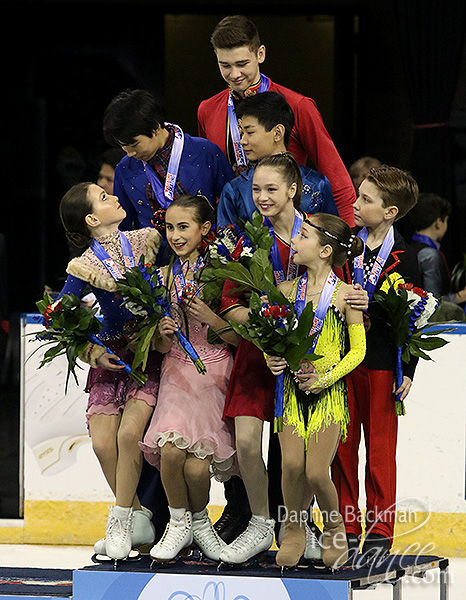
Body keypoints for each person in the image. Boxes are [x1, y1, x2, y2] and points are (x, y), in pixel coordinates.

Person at [216, 153, 367, 566]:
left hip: (316, 371)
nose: (261, 197)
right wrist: (269, 335)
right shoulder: (250, 242)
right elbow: (234, 302)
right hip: (263, 356)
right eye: (255, 190)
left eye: (270, 189)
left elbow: (347, 297)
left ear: (292, 190)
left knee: (305, 465)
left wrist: (360, 302)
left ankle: (313, 527)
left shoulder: (318, 233)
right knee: (257, 448)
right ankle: (270, 525)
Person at [57, 182, 163, 562]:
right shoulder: (83, 265)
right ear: (91, 219)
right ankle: (136, 515)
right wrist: (93, 351)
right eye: (104, 198)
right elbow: (62, 318)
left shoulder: (148, 239)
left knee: (129, 436)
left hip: (147, 354)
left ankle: (121, 523)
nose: (115, 197)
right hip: (110, 357)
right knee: (103, 444)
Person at [139, 194, 239, 562]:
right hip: (177, 369)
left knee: (198, 468)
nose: (176, 236)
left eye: (184, 227)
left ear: (205, 229)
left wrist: (211, 318)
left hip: (215, 369)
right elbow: (160, 348)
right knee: (169, 449)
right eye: (170, 228)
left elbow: (240, 339)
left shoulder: (222, 274)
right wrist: (164, 334)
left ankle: (200, 524)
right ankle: (178, 522)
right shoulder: (163, 277)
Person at [266, 213, 366, 569]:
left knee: (315, 472)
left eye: (303, 235)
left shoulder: (345, 297)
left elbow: (358, 350)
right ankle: (292, 530)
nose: (294, 240)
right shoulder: (284, 292)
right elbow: (271, 341)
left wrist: (325, 379)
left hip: (328, 393)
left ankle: (334, 526)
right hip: (292, 393)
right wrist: (271, 358)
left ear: (325, 250)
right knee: (290, 465)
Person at [331, 165, 420, 559]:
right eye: (358, 194)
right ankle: (348, 525)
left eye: (365, 199)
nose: (355, 202)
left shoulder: (410, 257)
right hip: (343, 362)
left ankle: (381, 529)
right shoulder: (344, 246)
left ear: (390, 212)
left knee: (381, 449)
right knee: (343, 446)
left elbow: (417, 316)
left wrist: (410, 370)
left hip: (384, 364)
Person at [197, 15, 356, 225]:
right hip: (235, 229)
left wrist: (349, 237)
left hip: (292, 228)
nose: (234, 74)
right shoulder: (207, 110)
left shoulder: (298, 106)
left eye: (242, 63)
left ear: (260, 54)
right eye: (225, 65)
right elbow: (209, 176)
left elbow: (336, 177)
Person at [103, 88, 234, 263]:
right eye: (123, 146)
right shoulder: (124, 169)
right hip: (156, 269)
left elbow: (233, 207)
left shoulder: (205, 152)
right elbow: (124, 229)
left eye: (134, 144)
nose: (130, 153)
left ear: (156, 128)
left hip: (209, 260)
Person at [217, 91, 339, 228]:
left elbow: (332, 239)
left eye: (250, 132)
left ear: (278, 133)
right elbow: (226, 245)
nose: (242, 141)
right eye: (241, 133)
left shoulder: (317, 185)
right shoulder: (234, 190)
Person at [408, 192, 466, 320]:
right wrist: (461, 296)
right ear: (439, 222)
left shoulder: (409, 248)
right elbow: (432, 303)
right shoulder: (429, 255)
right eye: (446, 220)